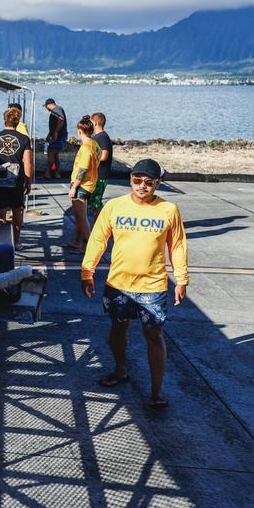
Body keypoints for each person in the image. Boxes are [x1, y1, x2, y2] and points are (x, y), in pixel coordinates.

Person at [81, 158, 189, 409]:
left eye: (148, 182)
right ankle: (120, 371)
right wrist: (87, 272)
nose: (142, 186)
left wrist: (181, 279)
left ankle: (156, 390)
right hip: (118, 284)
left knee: (154, 334)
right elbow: (98, 240)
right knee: (118, 328)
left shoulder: (169, 210)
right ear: (130, 180)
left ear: (157, 183)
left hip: (152, 287)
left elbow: (178, 246)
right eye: (137, 180)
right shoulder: (114, 207)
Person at [0, 106, 33, 250]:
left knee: (1, 211)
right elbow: (27, 162)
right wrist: (28, 182)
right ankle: (16, 243)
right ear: (18, 122)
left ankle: (1, 243)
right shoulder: (24, 139)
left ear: (4, 121)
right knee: (17, 210)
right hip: (17, 179)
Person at [64, 115, 101, 253]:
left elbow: (83, 169)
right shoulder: (95, 144)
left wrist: (74, 187)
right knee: (78, 215)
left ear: (80, 131)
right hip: (90, 182)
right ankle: (77, 240)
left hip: (82, 185)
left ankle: (86, 245)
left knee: (81, 217)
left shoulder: (85, 148)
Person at [89, 112, 113, 219]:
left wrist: (91, 160)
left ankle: (100, 224)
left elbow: (104, 155)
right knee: (93, 201)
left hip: (101, 174)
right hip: (96, 174)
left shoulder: (102, 137)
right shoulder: (97, 137)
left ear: (95, 123)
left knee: (96, 201)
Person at [43, 99, 67, 179]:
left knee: (51, 152)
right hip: (59, 134)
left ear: (49, 104)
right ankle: (57, 173)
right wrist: (49, 134)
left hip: (58, 135)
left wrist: (56, 132)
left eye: (46, 106)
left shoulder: (56, 110)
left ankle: (48, 173)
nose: (46, 108)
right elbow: (53, 124)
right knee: (55, 154)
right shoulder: (57, 110)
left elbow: (61, 119)